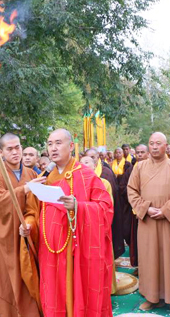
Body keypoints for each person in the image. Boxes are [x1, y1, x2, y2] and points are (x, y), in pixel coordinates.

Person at [33, 129, 113, 317]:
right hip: (50, 248)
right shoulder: (44, 177)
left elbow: (105, 207)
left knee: (76, 287)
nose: (53, 148)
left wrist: (80, 207)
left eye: (58, 143)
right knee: (54, 289)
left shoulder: (85, 175)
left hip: (75, 249)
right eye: (50, 143)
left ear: (70, 147)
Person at [127, 132, 170, 316]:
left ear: (165, 146)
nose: (154, 147)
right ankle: (151, 297)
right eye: (151, 143)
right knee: (149, 259)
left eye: (158, 143)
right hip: (147, 222)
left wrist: (166, 210)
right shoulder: (139, 167)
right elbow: (132, 191)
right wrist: (145, 209)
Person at [0, 133, 42, 317]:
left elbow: (37, 207)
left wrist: (30, 223)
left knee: (30, 282)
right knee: (7, 285)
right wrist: (24, 189)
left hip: (29, 238)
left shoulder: (32, 173)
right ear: (1, 152)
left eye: (17, 147)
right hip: (7, 242)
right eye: (9, 149)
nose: (15, 152)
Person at [85, 147, 124, 258]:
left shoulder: (105, 174)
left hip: (103, 217)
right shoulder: (81, 175)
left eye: (92, 158)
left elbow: (110, 201)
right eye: (86, 159)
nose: (89, 161)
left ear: (98, 158)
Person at [112, 147, 133, 246]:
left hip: (123, 191)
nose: (118, 154)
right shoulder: (111, 163)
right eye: (116, 152)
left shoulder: (127, 164)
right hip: (116, 190)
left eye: (120, 152)